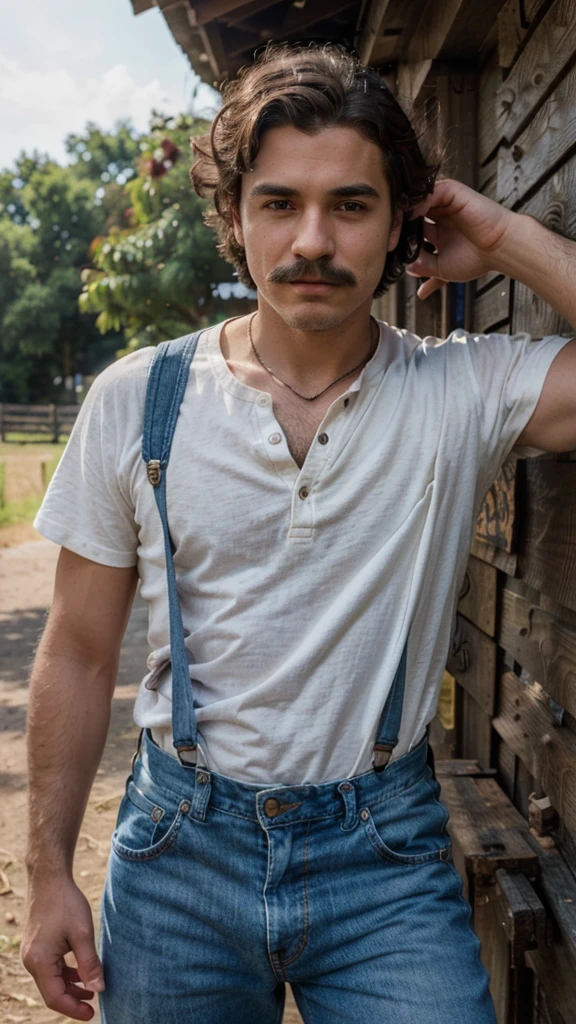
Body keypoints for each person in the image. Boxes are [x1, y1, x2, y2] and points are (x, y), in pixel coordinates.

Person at [21, 42, 576, 1024]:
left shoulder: (462, 390)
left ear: (403, 221)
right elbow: (75, 646)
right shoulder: (137, 397)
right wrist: (51, 869)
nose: (313, 239)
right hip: (177, 856)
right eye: (279, 202)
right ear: (236, 217)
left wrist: (495, 229)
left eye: (351, 205)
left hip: (386, 858)